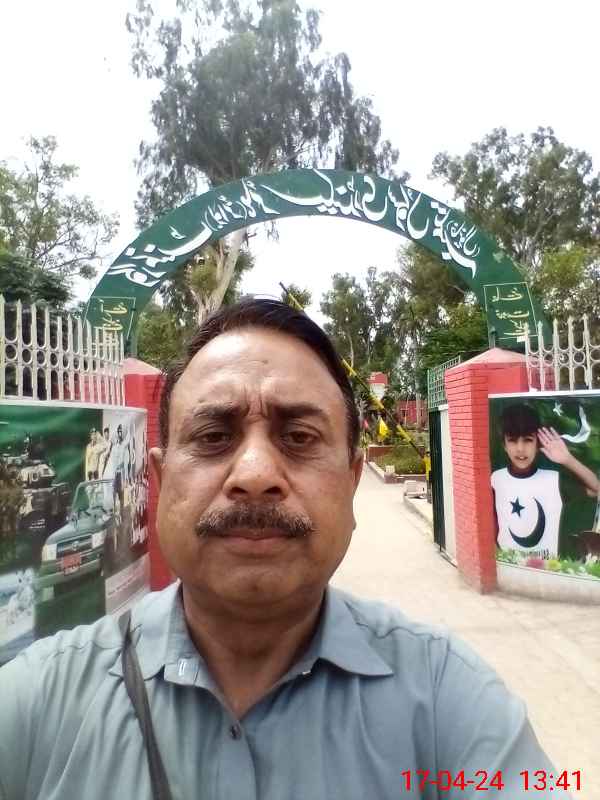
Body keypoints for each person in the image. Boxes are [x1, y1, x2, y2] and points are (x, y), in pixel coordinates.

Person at [0, 299, 572, 799]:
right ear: (160, 478)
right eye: (213, 437)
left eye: (299, 437)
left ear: (351, 482)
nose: (254, 475)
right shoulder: (35, 703)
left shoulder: (449, 699)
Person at [492, 403, 600, 559]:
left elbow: (596, 490)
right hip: (508, 566)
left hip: (548, 567)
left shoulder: (553, 479)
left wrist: (567, 459)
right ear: (504, 445)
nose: (520, 448)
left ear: (537, 443)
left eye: (528, 440)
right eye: (513, 440)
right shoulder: (495, 479)